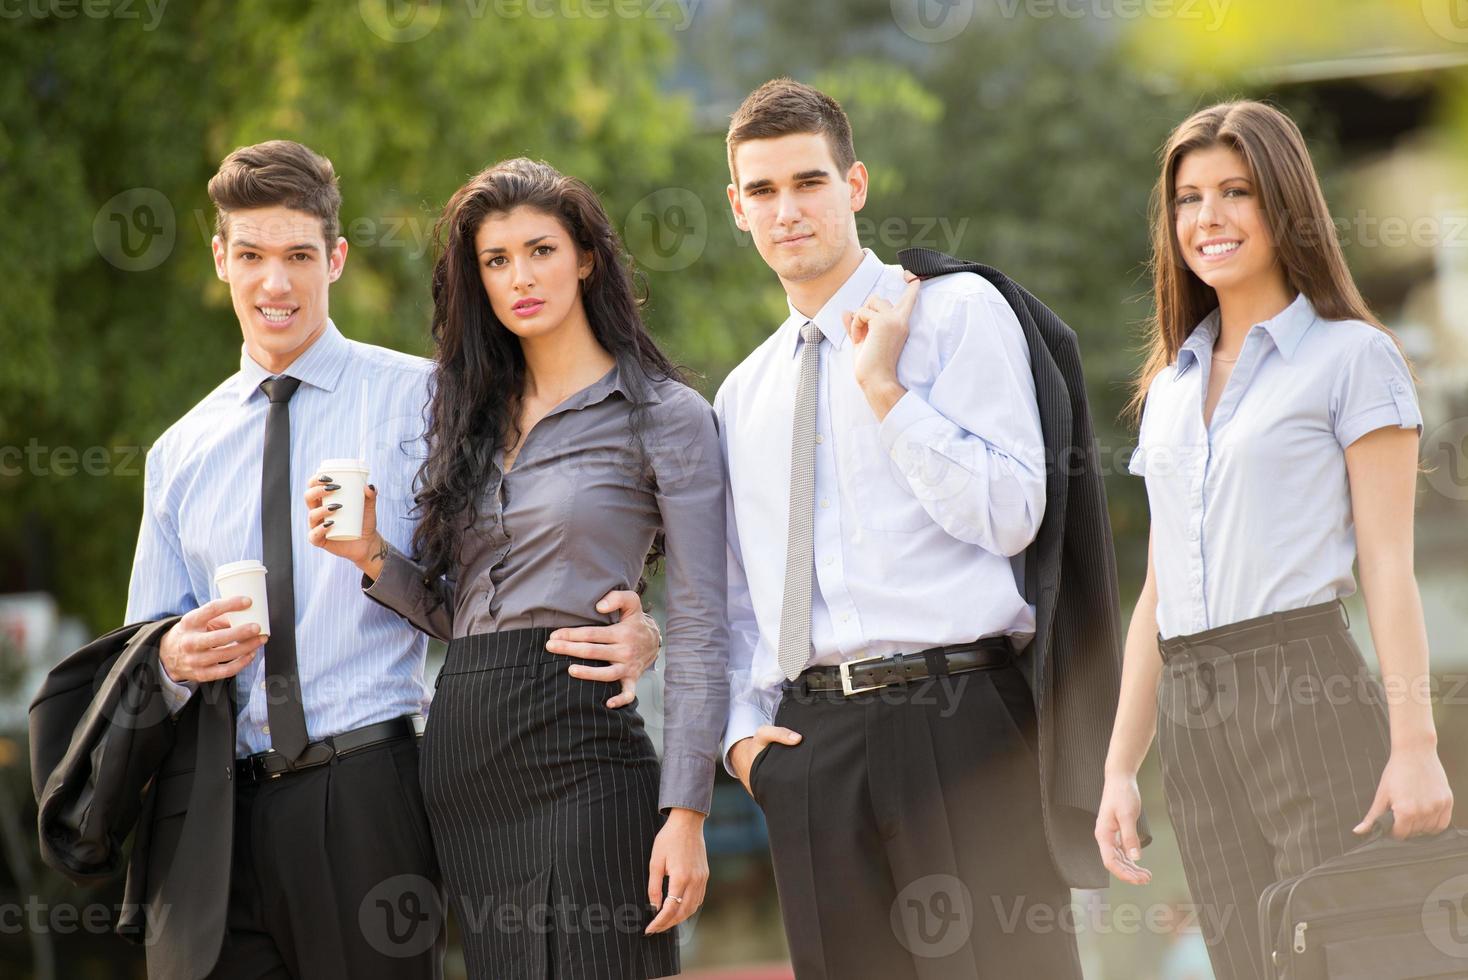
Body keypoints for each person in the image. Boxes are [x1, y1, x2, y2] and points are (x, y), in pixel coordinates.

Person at [126, 140, 661, 979]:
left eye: (300, 255)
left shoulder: (432, 399)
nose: (277, 283)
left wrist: (639, 625)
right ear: (220, 259)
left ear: (334, 259)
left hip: (369, 786)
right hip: (216, 815)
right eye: (254, 256)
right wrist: (168, 657)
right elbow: (140, 648)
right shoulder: (177, 453)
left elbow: (514, 570)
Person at [307, 157, 728, 979]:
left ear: (586, 258)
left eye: (540, 250)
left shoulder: (665, 418)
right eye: (495, 261)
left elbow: (706, 619)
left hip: (583, 755)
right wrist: (371, 558)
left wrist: (686, 812)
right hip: (464, 767)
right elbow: (463, 616)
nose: (519, 277)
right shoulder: (465, 416)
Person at [717, 78, 1089, 978]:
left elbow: (1011, 514)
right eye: (762, 191)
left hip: (960, 721)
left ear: (856, 185)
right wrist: (741, 742)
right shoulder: (741, 393)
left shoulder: (958, 314)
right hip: (811, 752)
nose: (787, 210)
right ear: (736, 209)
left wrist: (886, 390)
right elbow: (737, 599)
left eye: (808, 182)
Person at [1096, 101, 1455, 980]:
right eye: (1187, 198)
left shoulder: (1351, 358)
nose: (1207, 218)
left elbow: (1388, 566)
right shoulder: (1171, 385)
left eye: (1236, 192)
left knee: (1347, 951)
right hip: (1192, 701)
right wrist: (1120, 767)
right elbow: (1156, 594)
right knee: (1245, 959)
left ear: (1285, 205)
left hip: (1304, 685)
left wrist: (1416, 747)